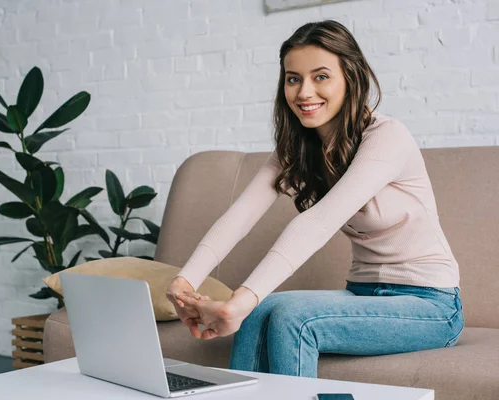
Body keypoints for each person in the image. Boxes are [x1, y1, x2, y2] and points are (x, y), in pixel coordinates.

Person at [165, 20, 464, 378]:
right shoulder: (298, 150)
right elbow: (240, 215)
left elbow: (319, 222)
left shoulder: (387, 137)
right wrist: (185, 282)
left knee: (291, 319)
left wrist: (240, 299)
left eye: (321, 76)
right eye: (293, 79)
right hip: (363, 292)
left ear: (350, 78)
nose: (305, 92)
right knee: (262, 310)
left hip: (431, 304)